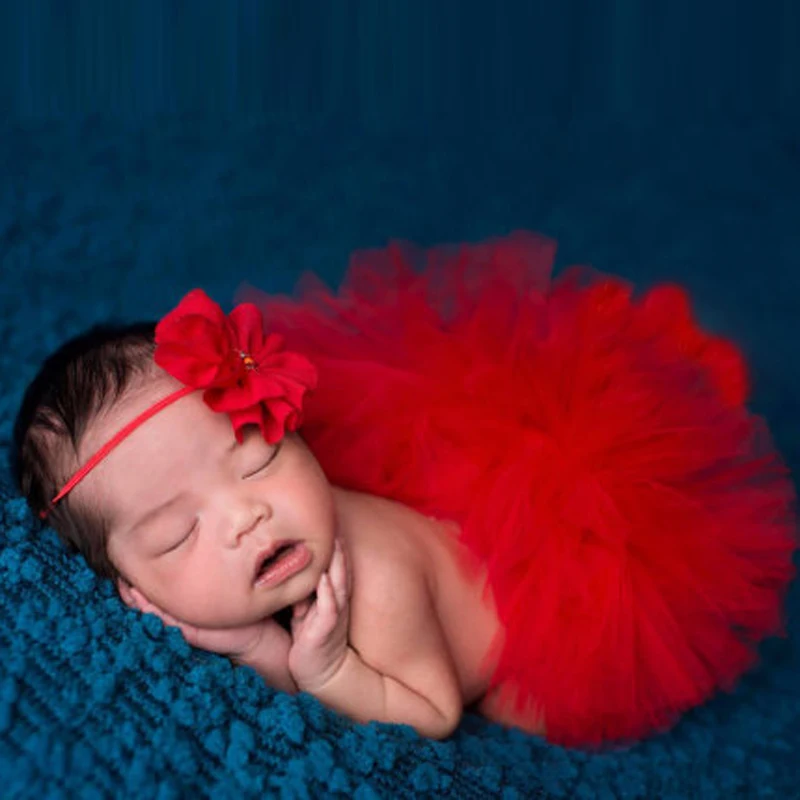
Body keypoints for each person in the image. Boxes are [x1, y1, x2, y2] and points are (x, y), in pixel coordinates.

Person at [11, 231, 797, 747]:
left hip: (546, 620)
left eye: (257, 461)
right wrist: (256, 645)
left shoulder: (374, 580)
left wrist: (320, 673)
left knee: (549, 720)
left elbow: (430, 711)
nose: (247, 514)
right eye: (177, 536)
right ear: (135, 592)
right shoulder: (256, 573)